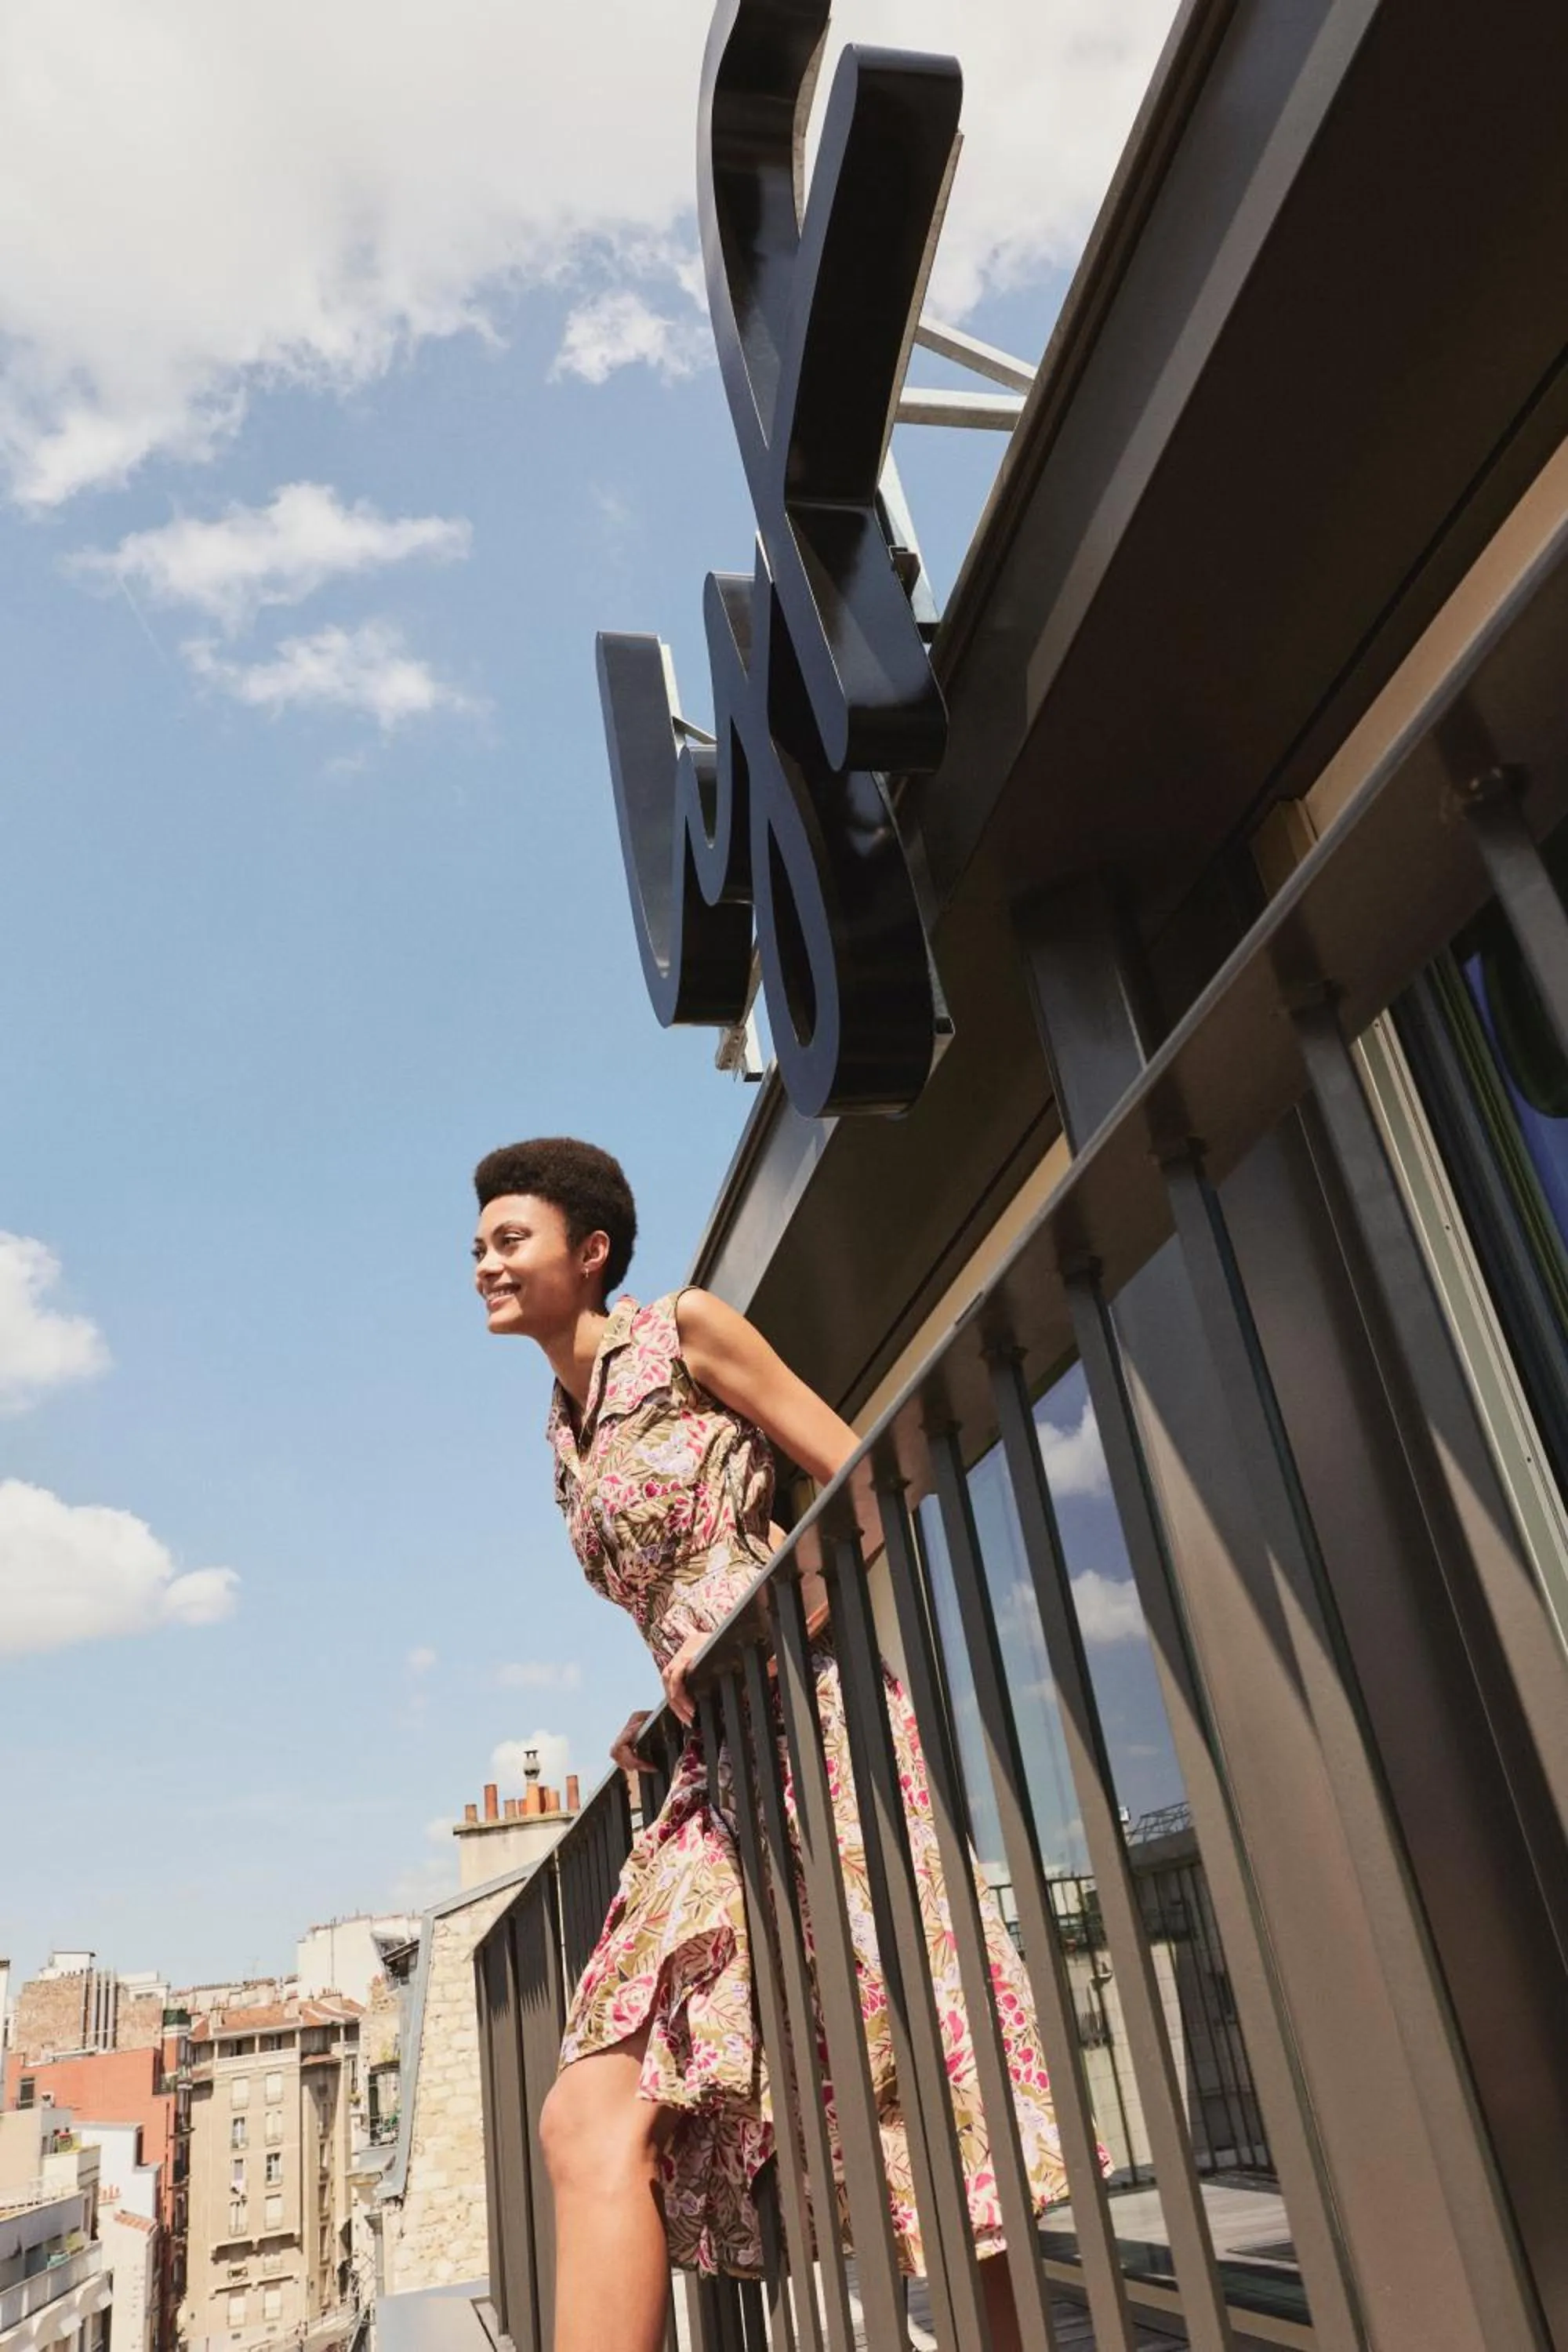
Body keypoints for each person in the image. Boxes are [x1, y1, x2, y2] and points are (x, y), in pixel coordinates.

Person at [472, 1136, 1073, 2352]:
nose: (483, 1263)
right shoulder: (559, 1430)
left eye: (508, 1239)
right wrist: (663, 1711)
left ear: (590, 1255)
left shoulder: (686, 1330)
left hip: (819, 1724)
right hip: (711, 1772)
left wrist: (761, 1630)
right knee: (588, 2116)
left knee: (921, 2084)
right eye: (479, 1245)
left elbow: (865, 1483)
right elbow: (662, 1599)